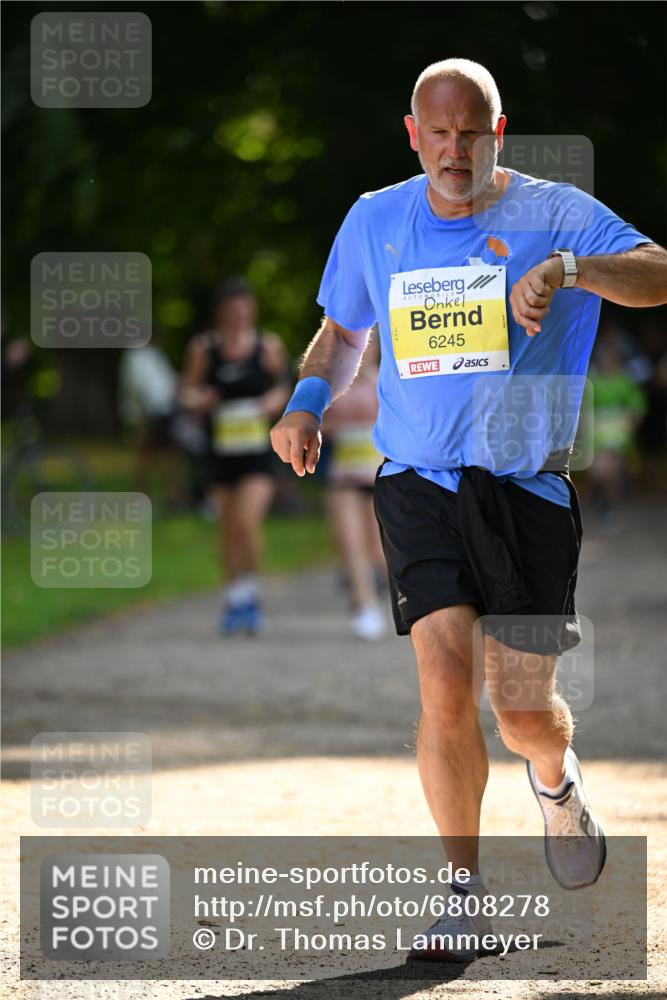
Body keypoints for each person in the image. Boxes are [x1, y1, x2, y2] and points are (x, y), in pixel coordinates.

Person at [271, 58, 667, 961]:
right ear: (413, 134)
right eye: (437, 135)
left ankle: (555, 780)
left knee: (521, 711)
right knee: (443, 683)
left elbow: (657, 272)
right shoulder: (376, 218)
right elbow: (341, 334)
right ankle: (462, 892)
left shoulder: (553, 212)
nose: (455, 152)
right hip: (418, 483)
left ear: (499, 133)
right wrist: (304, 402)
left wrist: (570, 271)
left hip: (522, 489)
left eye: (471, 134)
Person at [181, 277, 290, 634]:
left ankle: (251, 593)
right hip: (220, 451)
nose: (240, 318)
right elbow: (186, 392)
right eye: (233, 312)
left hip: (257, 452)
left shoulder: (267, 345)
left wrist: (271, 403)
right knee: (228, 528)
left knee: (247, 521)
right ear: (221, 314)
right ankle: (235, 599)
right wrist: (200, 399)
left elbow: (284, 387)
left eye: (246, 311)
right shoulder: (203, 348)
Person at [322, 331, 387, 640]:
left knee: (378, 548)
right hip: (344, 476)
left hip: (378, 478)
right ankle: (365, 606)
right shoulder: (334, 385)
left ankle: (393, 594)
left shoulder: (387, 383)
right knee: (350, 542)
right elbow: (315, 423)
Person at [588, 331, 648, 528]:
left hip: (619, 433)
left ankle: (612, 507)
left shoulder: (625, 381)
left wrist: (630, 424)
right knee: (600, 471)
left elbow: (637, 406)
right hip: (598, 433)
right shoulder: (593, 381)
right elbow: (584, 408)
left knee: (612, 469)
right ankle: (601, 500)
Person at [118, 338, 184, 506]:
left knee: (165, 455)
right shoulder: (135, 356)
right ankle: (144, 496)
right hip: (149, 413)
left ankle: (170, 496)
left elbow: (168, 381)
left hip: (164, 409)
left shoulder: (154, 354)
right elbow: (136, 388)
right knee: (149, 456)